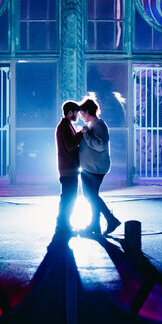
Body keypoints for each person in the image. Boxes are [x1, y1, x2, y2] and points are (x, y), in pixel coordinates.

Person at [78, 97, 120, 237]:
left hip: (94, 169)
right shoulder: (93, 125)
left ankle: (110, 219)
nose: (81, 116)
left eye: (82, 113)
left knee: (91, 196)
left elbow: (100, 145)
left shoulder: (99, 125)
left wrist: (86, 135)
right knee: (92, 196)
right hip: (91, 167)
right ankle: (94, 225)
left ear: (88, 111)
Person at [54, 100, 83, 235]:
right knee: (69, 197)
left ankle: (63, 223)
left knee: (68, 196)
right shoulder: (65, 126)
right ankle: (63, 223)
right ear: (70, 112)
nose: (77, 115)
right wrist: (81, 134)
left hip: (68, 168)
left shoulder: (66, 125)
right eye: (76, 112)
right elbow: (70, 145)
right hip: (68, 168)